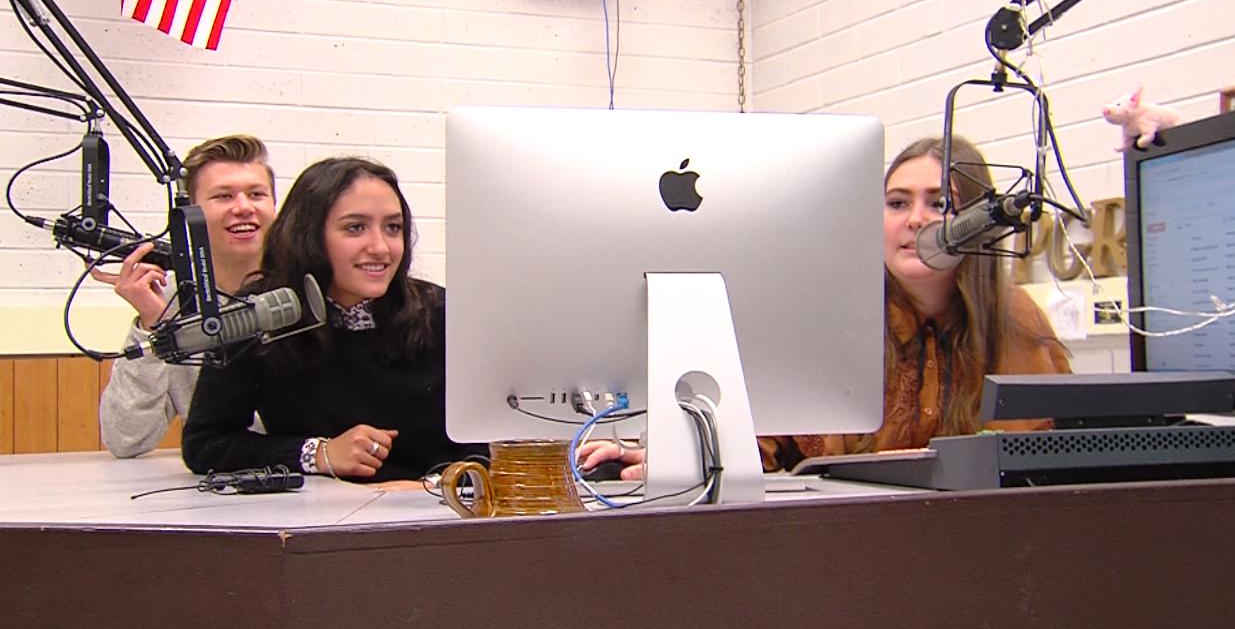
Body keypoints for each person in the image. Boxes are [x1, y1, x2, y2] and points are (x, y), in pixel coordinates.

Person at [577, 135, 1070, 476]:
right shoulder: (828, 318)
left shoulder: (1016, 321)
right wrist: (670, 453)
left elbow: (1043, 459)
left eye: (939, 203)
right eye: (897, 203)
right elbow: (757, 441)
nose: (915, 220)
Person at [181, 157, 481, 481]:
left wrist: (432, 489)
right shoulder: (260, 314)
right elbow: (205, 442)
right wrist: (318, 453)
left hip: (442, 515)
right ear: (308, 235)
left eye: (393, 227)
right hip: (322, 521)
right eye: (355, 228)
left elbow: (498, 441)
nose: (381, 247)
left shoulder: (444, 312)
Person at [95, 134, 276, 458]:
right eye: (223, 196)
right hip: (218, 490)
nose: (243, 207)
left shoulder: (310, 291)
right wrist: (153, 328)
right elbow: (125, 439)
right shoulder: (172, 302)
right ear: (190, 214)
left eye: (256, 194)